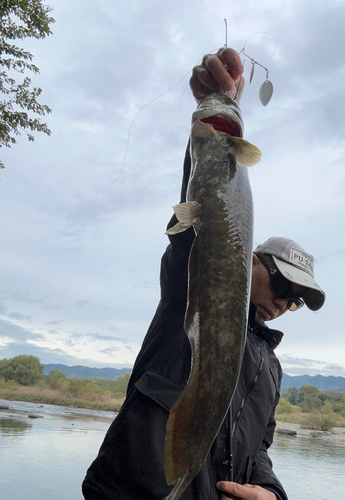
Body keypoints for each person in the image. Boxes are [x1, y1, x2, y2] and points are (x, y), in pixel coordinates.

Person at [82, 48, 325, 500]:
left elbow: (260, 451)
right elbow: (204, 204)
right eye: (282, 284)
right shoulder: (186, 291)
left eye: (296, 300)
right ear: (250, 258)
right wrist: (218, 109)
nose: (284, 303)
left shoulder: (270, 368)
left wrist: (271, 494)